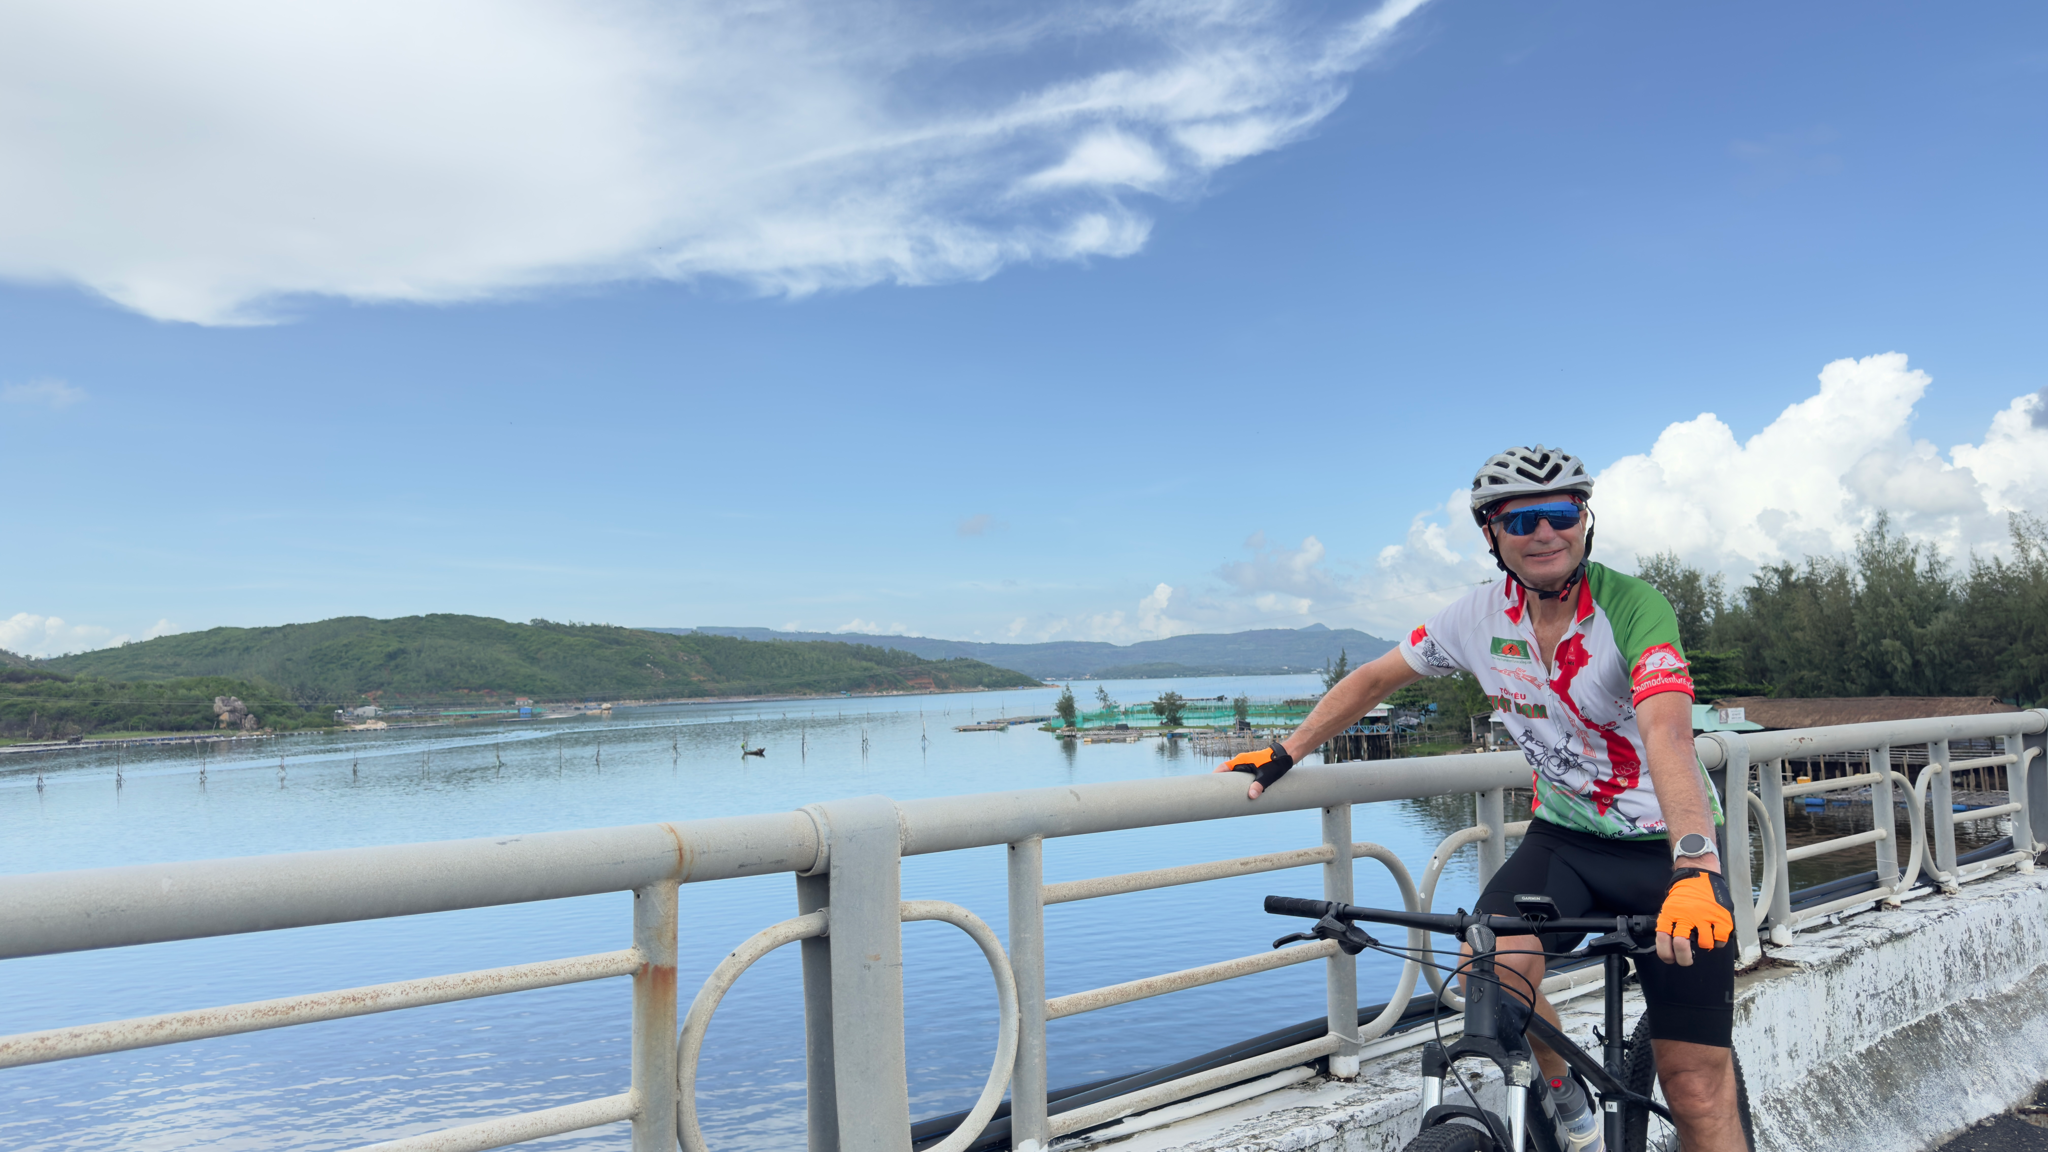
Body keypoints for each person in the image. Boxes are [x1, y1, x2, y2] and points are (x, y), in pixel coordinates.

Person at [1215, 445, 1743, 1152]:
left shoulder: (1633, 607)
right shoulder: (1475, 618)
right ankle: (1562, 1087)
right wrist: (1286, 752)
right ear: (1491, 534)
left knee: (1695, 1087)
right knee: (1492, 973)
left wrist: (1695, 870)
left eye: (1561, 513)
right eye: (1521, 519)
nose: (1544, 532)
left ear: (1586, 522)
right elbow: (1373, 680)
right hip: (1566, 842)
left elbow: (1669, 735)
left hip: (1667, 851)